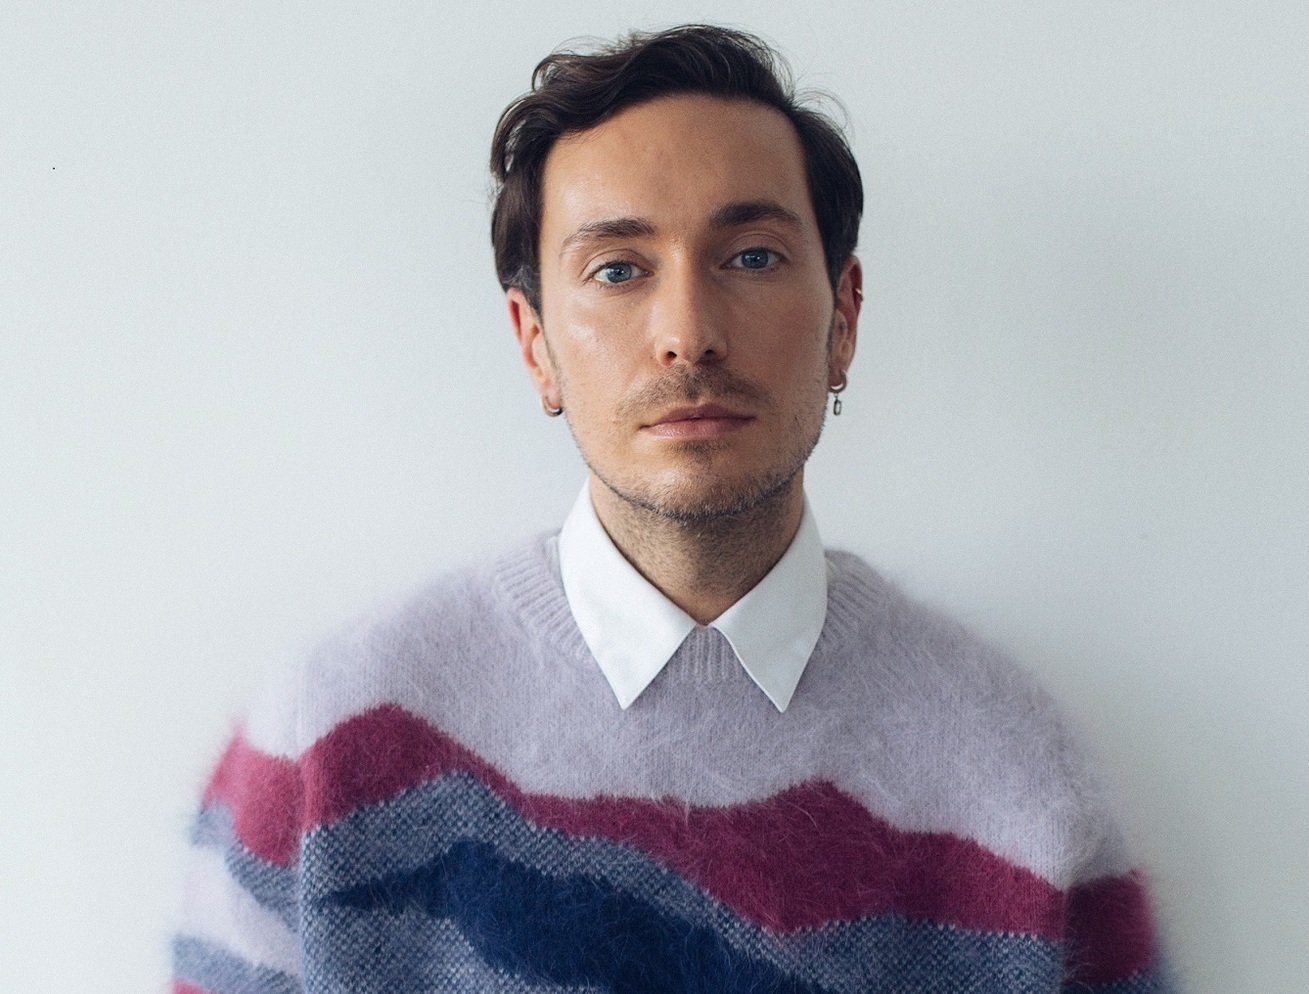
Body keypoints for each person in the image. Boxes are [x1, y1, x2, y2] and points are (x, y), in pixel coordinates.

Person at [171, 24, 1173, 994]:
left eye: (751, 257)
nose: (687, 333)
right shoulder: (331, 738)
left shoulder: (1012, 774)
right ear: (534, 345)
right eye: (617, 270)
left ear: (844, 320)